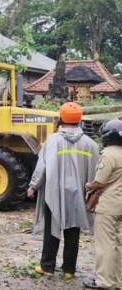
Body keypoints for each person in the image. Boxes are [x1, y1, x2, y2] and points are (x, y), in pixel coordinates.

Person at [27, 102, 99, 279]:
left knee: (52, 229)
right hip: (78, 195)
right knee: (73, 232)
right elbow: (95, 171)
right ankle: (69, 270)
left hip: (54, 192)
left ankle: (47, 267)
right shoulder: (90, 144)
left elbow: (41, 166)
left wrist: (33, 186)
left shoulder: (52, 141)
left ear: (61, 118)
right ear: (79, 120)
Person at [83, 119, 122, 290]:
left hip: (108, 205)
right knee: (119, 243)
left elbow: (100, 181)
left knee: (105, 244)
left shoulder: (108, 154)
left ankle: (104, 281)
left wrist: (88, 186)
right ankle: (117, 280)